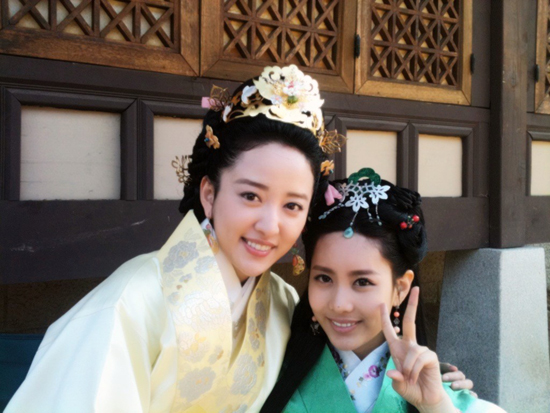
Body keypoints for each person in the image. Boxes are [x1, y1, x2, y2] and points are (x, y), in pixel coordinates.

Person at [5, 65, 338, 413]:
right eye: (251, 196)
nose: (270, 226)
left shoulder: (284, 302)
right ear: (209, 194)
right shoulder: (129, 303)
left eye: (292, 206)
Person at [262, 169, 504, 413]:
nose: (339, 304)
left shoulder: (440, 396)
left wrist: (436, 406)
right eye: (324, 278)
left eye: (362, 282)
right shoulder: (268, 377)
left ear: (401, 288)